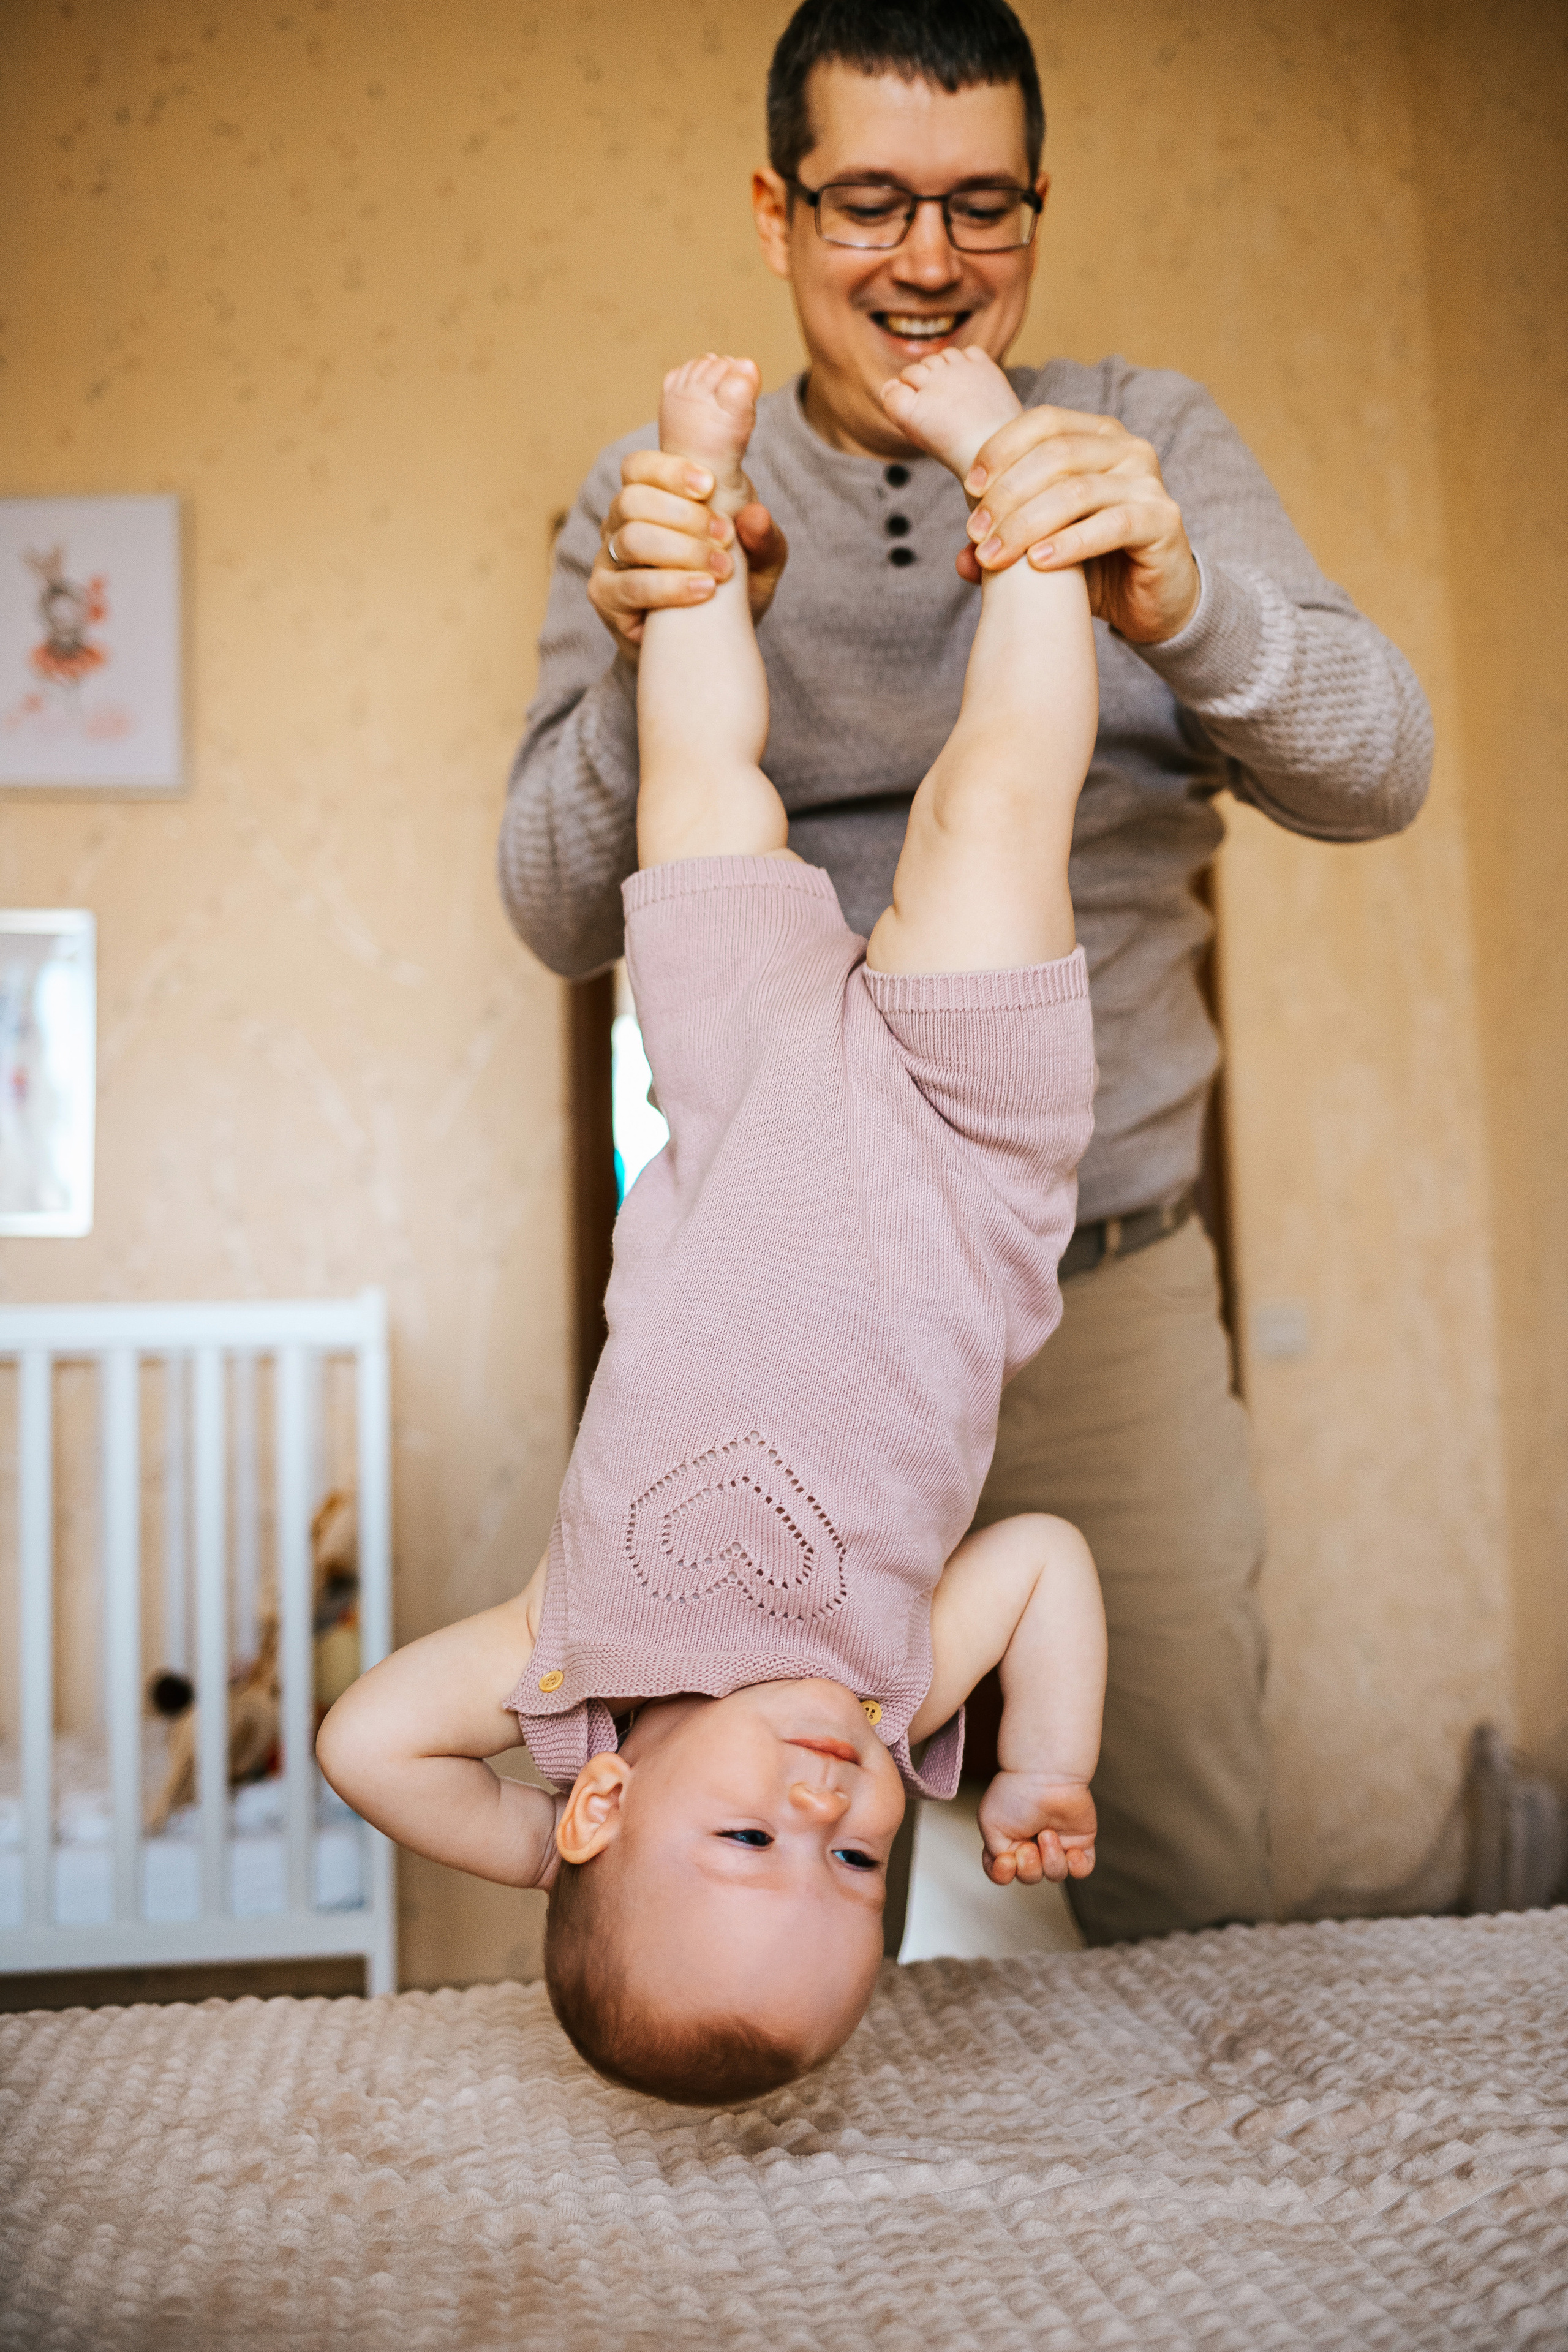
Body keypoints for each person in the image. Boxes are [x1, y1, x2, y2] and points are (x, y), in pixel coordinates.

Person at [499, 0, 1433, 1950]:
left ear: (1036, 204)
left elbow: (1381, 769)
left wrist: (1178, 601)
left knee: (1173, 1865)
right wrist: (681, 638)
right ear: (777, 207)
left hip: (1100, 1283)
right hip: (771, 1324)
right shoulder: (658, 486)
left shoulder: (1148, 432)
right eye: (872, 204)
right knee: (747, 1883)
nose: (932, 260)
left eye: (983, 206)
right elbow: (553, 908)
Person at [319, 342, 1106, 2104]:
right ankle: (1018, 481)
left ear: (608, 1802)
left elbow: (360, 1739)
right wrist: (1041, 1765)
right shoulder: (897, 1691)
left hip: (745, 1100)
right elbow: (1047, 1561)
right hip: (959, 1149)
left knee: (699, 794)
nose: (831, 1811)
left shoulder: (561, 1655)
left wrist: (542, 1850)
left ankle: (685, 477)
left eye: (748, 1842)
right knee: (1001, 805)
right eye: (853, 1871)